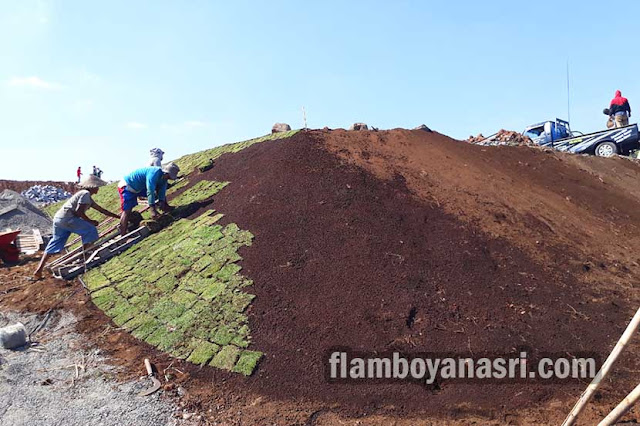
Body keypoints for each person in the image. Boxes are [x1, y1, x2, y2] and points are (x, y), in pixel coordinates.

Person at [33, 175, 120, 278]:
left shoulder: (85, 196)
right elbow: (79, 212)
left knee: (55, 242)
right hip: (67, 219)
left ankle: (39, 270)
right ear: (92, 187)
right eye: (97, 187)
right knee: (90, 230)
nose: (98, 189)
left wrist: (118, 217)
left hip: (58, 219)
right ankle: (84, 256)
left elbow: (102, 210)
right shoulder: (85, 194)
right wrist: (90, 221)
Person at [118, 163, 180, 236]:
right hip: (127, 186)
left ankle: (165, 209)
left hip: (140, 187)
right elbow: (150, 191)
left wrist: (162, 202)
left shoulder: (164, 178)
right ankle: (123, 235)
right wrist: (152, 210)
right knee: (127, 211)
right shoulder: (154, 173)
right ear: (165, 173)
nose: (168, 179)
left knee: (156, 195)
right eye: (169, 176)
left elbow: (162, 191)